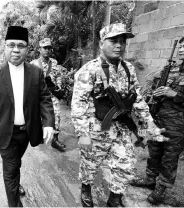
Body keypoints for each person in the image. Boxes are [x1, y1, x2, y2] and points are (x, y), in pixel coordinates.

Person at [71, 23, 166, 207]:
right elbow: (78, 104)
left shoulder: (128, 68)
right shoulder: (89, 70)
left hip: (121, 128)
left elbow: (137, 99)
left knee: (126, 164)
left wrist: (150, 125)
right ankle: (86, 188)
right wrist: (83, 134)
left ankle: (114, 198)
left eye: (122, 41)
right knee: (90, 163)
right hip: (96, 128)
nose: (119, 45)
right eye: (114, 41)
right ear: (101, 43)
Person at [0, 26, 55, 207]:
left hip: (26, 132)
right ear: (4, 47)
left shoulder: (36, 72)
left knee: (16, 163)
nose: (16, 49)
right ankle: (14, 204)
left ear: (27, 49)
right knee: (10, 168)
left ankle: (16, 182)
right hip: (4, 132)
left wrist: (48, 123)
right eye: (11, 45)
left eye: (21, 45)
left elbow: (45, 98)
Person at [130, 31, 184, 205]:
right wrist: (154, 96)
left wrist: (174, 94)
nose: (181, 50)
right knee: (153, 152)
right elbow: (155, 88)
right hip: (158, 118)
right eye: (180, 46)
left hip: (179, 125)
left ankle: (161, 189)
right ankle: (150, 179)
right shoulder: (172, 69)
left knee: (169, 158)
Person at [30, 38, 66, 152]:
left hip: (52, 95)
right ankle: (40, 134)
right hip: (38, 96)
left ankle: (55, 140)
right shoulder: (34, 63)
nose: (47, 50)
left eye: (49, 48)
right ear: (39, 49)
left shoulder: (54, 62)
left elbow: (58, 75)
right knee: (38, 116)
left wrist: (58, 87)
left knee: (57, 116)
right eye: (45, 48)